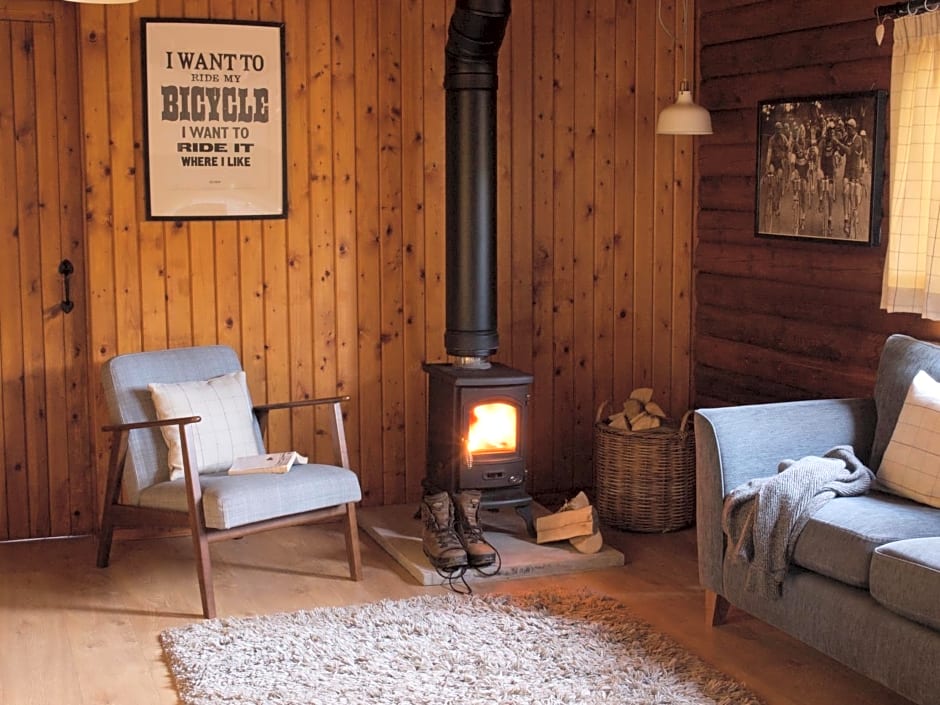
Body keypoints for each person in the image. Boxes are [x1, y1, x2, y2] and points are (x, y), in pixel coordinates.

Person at [834, 117, 865, 237]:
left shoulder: (858, 139)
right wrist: (836, 154)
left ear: (854, 128)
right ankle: (846, 219)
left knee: (856, 195)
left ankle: (855, 210)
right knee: (845, 192)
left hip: (856, 171)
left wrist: (838, 143)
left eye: (850, 127)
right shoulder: (847, 138)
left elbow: (849, 151)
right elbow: (841, 152)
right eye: (847, 127)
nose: (848, 129)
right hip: (847, 171)